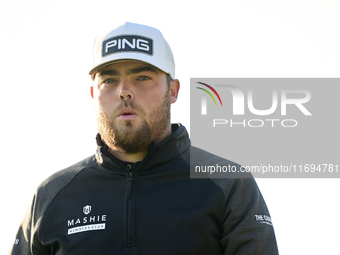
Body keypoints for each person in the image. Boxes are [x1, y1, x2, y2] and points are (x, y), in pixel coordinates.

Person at [9, 22, 279, 255]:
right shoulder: (51, 194)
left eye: (142, 76)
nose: (125, 92)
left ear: (172, 90)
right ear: (93, 93)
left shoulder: (228, 182)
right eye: (109, 80)